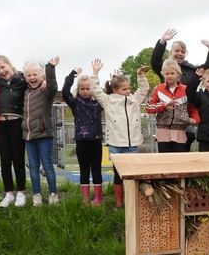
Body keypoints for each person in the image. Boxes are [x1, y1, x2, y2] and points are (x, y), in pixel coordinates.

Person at [90, 58, 150, 208]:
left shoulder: (134, 100)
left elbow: (144, 89)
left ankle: (131, 201)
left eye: (129, 88)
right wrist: (95, 73)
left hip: (132, 144)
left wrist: (140, 75)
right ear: (115, 90)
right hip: (116, 144)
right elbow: (96, 90)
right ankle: (118, 202)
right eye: (124, 89)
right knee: (118, 175)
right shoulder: (108, 100)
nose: (128, 91)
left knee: (131, 175)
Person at [151, 28, 209, 151]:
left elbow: (206, 68)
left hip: (184, 119)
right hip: (166, 118)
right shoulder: (165, 69)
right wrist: (162, 42)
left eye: (182, 51)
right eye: (176, 51)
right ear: (171, 52)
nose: (179, 53)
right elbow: (155, 61)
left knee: (182, 153)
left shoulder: (191, 70)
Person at [0, 49, 28, 208]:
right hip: (1, 124)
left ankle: (21, 192)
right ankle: (9, 193)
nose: (1, 71)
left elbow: (37, 82)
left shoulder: (22, 79)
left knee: (18, 159)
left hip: (16, 123)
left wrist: (43, 81)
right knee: (5, 160)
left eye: (3, 67)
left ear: (9, 64)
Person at [62, 66, 104, 205]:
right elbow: (65, 92)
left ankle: (98, 198)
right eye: (82, 89)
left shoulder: (98, 103)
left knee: (97, 169)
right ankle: (85, 199)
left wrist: (96, 74)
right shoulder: (75, 103)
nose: (85, 91)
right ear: (79, 90)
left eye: (88, 88)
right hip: (82, 142)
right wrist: (71, 76)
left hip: (96, 141)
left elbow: (108, 94)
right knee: (84, 170)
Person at [23, 58, 60, 206]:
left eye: (35, 75)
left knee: (47, 166)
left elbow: (53, 86)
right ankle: (36, 194)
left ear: (42, 77)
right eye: (29, 75)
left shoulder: (46, 92)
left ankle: (53, 194)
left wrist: (50, 68)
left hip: (44, 135)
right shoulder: (25, 92)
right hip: (28, 136)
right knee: (33, 167)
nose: (32, 78)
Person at [146, 58, 197, 153]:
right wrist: (164, 106)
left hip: (180, 131)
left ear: (178, 73)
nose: (169, 76)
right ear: (163, 74)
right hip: (162, 131)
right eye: (167, 74)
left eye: (172, 73)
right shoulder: (158, 88)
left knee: (180, 163)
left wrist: (195, 119)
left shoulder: (186, 89)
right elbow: (149, 107)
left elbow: (192, 108)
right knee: (165, 162)